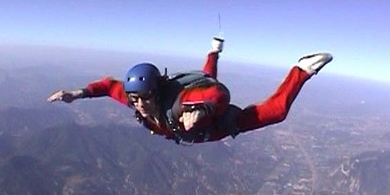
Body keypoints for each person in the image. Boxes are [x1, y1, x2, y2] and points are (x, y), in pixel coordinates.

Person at [47, 37, 333, 144]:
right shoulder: (137, 100)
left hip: (216, 124)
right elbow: (109, 86)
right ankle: (214, 50)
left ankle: (302, 69)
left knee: (278, 111)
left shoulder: (181, 101)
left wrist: (200, 109)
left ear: (158, 92)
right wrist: (78, 93)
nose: (140, 104)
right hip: (194, 128)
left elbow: (219, 94)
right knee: (207, 73)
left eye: (145, 98)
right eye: (134, 99)